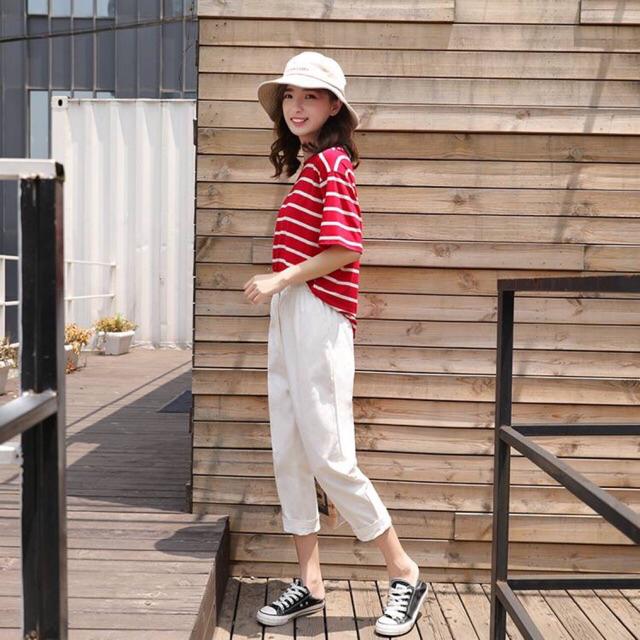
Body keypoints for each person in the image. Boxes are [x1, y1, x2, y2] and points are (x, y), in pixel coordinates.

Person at [243, 51, 427, 636]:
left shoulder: (334, 164)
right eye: (289, 96)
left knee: (330, 454)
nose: (296, 107)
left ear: (333, 107)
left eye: (310, 97)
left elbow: (346, 248)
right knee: (291, 451)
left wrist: (280, 279)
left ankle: (405, 572)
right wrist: (284, 291)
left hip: (319, 314)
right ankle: (311, 582)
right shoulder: (309, 167)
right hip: (292, 314)